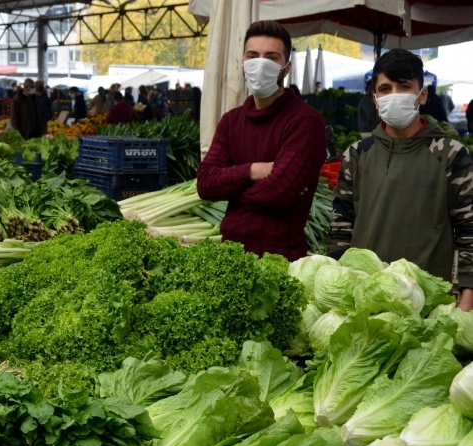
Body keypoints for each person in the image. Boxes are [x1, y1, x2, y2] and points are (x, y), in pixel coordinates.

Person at [328, 48, 473, 311]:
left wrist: (466, 302)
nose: (394, 95)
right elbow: (340, 231)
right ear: (375, 98)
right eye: (385, 88)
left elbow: (468, 231)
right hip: (364, 299)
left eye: (404, 86)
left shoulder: (450, 154)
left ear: (423, 95)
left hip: (426, 302)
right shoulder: (357, 155)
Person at [196, 20, 326, 261]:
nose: (260, 64)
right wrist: (253, 171)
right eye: (252, 56)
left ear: (286, 69)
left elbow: (279, 193)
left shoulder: (305, 122)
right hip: (229, 256)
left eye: (272, 57)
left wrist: (231, 192)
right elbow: (205, 183)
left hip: (280, 260)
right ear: (243, 62)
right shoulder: (231, 121)